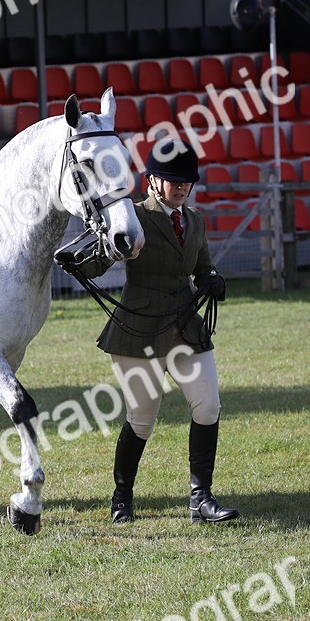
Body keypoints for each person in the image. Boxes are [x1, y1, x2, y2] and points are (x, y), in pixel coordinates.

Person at [95, 137, 237, 524]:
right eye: (173, 180)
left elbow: (201, 267)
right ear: (152, 180)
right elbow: (103, 258)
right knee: (142, 417)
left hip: (185, 326)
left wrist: (213, 279)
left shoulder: (196, 220)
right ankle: (122, 497)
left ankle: (201, 499)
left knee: (208, 406)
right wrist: (84, 259)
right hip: (138, 328)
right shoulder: (134, 216)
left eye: (186, 181)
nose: (181, 187)